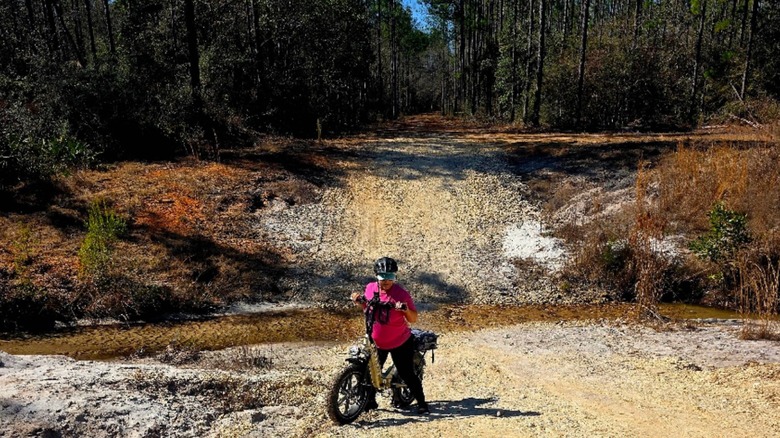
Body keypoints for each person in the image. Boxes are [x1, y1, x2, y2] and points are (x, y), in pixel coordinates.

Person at [350, 256, 430, 415]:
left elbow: (413, 319)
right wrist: (358, 300)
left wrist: (405, 309)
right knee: (370, 372)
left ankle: (422, 403)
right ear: (376, 276)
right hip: (376, 341)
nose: (386, 280)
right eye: (382, 277)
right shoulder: (370, 288)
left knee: (407, 373)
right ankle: (370, 402)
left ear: (395, 276)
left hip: (399, 342)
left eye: (390, 276)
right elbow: (367, 307)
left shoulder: (401, 294)